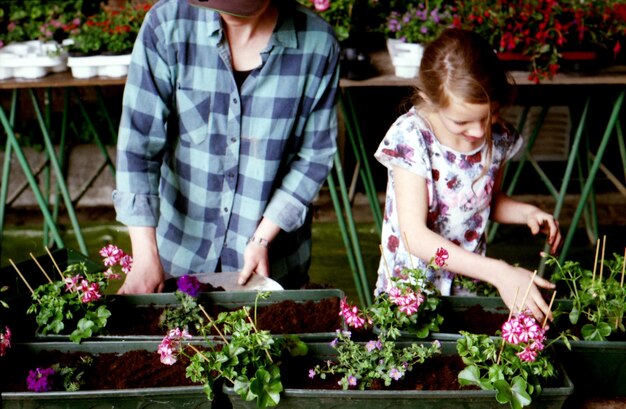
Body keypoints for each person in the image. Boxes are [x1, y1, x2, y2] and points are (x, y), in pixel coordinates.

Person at [113, 0, 340, 294]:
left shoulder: (318, 45)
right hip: (179, 256)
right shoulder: (167, 24)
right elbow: (138, 142)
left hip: (272, 265)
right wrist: (145, 256)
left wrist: (261, 239)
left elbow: (314, 158)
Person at [374, 28, 561, 322]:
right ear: (430, 100)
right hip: (410, 290)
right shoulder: (411, 137)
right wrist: (499, 271)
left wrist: (526, 213)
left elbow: (489, 200)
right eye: (461, 121)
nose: (477, 132)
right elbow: (415, 238)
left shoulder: (498, 138)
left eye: (490, 116)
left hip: (466, 285)